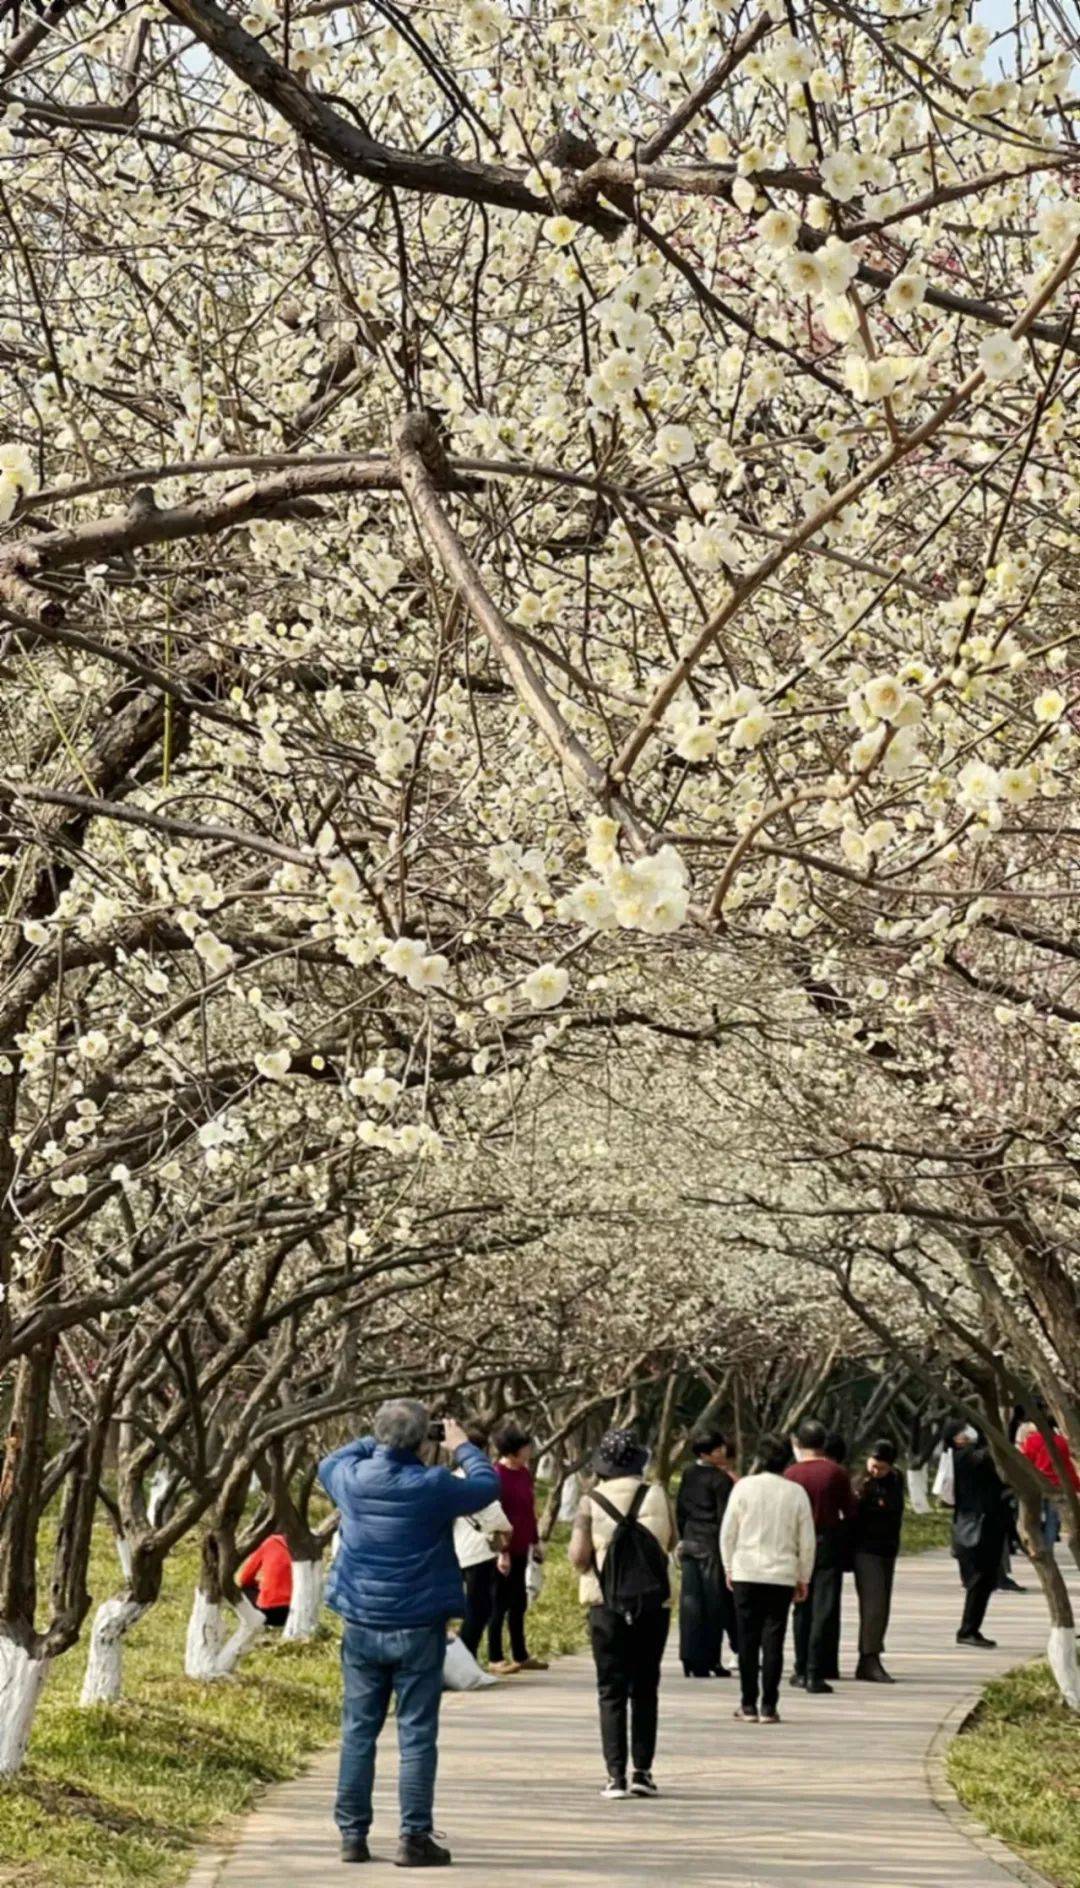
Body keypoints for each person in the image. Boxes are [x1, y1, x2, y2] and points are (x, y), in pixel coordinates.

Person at [319, 1399, 499, 1868]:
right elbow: (486, 1484)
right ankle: (413, 1837)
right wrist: (460, 1446)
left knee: (358, 1731)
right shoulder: (434, 1485)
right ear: (425, 1440)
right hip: (419, 1625)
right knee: (416, 1733)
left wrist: (375, 1439)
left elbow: (328, 1462)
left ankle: (352, 1835)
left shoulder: (352, 1479)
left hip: (361, 1620)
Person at [569, 1428, 675, 1799]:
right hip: (652, 1604)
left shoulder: (589, 1502)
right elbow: (671, 1542)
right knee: (646, 1687)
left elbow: (579, 1558)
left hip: (605, 1604)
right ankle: (643, 1773)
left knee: (610, 1689)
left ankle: (615, 1776)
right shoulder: (657, 1495)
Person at [721, 1432, 815, 1725]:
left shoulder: (743, 1488)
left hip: (747, 1571)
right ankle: (769, 1706)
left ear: (759, 1459)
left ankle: (747, 1704)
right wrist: (804, 1576)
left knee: (747, 1640)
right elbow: (807, 1540)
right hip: (782, 1574)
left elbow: (728, 1533)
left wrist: (729, 1567)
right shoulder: (796, 1492)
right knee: (774, 1640)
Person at [784, 1417, 858, 1693]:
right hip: (827, 1543)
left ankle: (800, 1668)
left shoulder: (790, 1474)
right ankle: (817, 1671)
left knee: (801, 1606)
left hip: (795, 1546)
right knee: (823, 1609)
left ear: (799, 1443)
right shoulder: (835, 1472)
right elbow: (850, 1512)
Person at [945, 1418, 1010, 1649]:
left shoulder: (971, 1456)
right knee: (980, 1579)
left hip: (986, 1524)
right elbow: (988, 1458)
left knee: (985, 1580)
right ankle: (967, 1629)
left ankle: (971, 1628)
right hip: (979, 1527)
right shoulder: (964, 1456)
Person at [677, 1430, 737, 1678]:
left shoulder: (689, 1474)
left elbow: (680, 1508)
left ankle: (689, 1657)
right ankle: (711, 1659)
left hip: (690, 1541)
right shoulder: (720, 1480)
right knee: (713, 1606)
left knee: (690, 1604)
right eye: (718, 1449)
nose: (723, 1452)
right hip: (712, 1545)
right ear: (705, 1453)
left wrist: (683, 1537)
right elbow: (726, 1519)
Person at [489, 1425, 547, 1674]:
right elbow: (494, 1517)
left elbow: (528, 1510)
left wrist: (536, 1542)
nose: (529, 1450)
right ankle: (494, 1656)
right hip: (503, 1551)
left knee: (519, 1602)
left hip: (523, 1545)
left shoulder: (523, 1472)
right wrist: (502, 1552)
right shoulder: (496, 1475)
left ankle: (520, 1654)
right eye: (525, 1446)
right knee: (499, 1604)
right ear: (512, 1451)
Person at [453, 1427, 511, 1660]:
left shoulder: (448, 1477)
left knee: (463, 1610)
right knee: (479, 1609)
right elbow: (495, 1515)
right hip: (477, 1552)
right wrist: (507, 1529)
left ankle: (462, 1659)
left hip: (453, 1551)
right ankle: (466, 1658)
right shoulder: (480, 1480)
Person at [852, 1439, 904, 1683]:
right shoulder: (859, 1482)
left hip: (887, 1549)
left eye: (882, 1468)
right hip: (865, 1549)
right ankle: (869, 1656)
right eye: (873, 1465)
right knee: (873, 1605)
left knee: (883, 1604)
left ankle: (872, 1652)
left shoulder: (896, 1480)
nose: (876, 1472)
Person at [1017, 1419, 1080, 1551]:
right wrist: (1076, 1485)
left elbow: (1027, 1461)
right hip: (1058, 1485)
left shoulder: (1032, 1440)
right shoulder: (1061, 1442)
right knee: (1053, 1520)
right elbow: (1067, 1466)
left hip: (1038, 1483)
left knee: (1034, 1518)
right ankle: (1049, 1547)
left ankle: (1036, 1546)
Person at [237, 1530, 293, 1627]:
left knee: (245, 1588)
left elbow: (244, 1578)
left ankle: (250, 1623)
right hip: (293, 1611)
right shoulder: (302, 1545)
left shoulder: (268, 1543)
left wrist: (259, 1584)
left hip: (268, 1613)